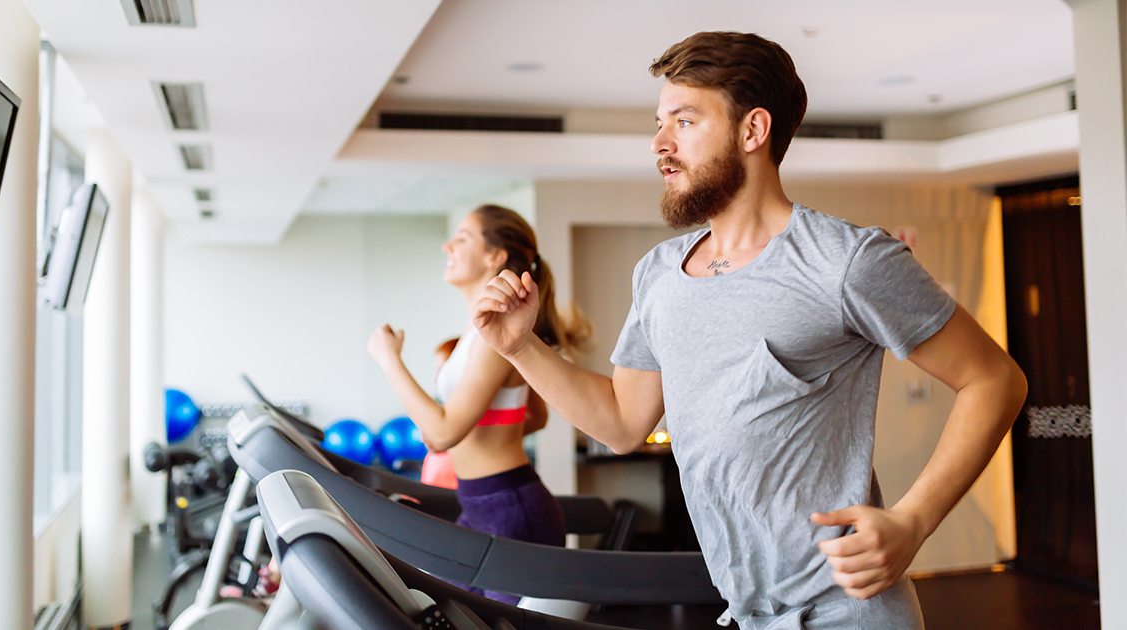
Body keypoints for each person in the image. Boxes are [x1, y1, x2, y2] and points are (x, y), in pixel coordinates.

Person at [472, 31, 1027, 629]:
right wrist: (521, 346)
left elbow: (994, 380)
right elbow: (621, 422)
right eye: (659, 124)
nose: (660, 144)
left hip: (845, 610)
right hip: (746, 613)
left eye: (683, 122)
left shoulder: (847, 261)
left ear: (753, 131)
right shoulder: (659, 274)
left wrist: (913, 522)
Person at [367, 204, 587, 604]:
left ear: (495, 256)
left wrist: (389, 360)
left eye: (463, 237)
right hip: (488, 504)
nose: (447, 245)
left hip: (508, 511)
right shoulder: (481, 328)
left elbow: (440, 434)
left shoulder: (495, 328)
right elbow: (533, 416)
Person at [422, 337, 550, 489]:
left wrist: (391, 358)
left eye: (442, 370)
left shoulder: (492, 351)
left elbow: (442, 436)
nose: (436, 379)